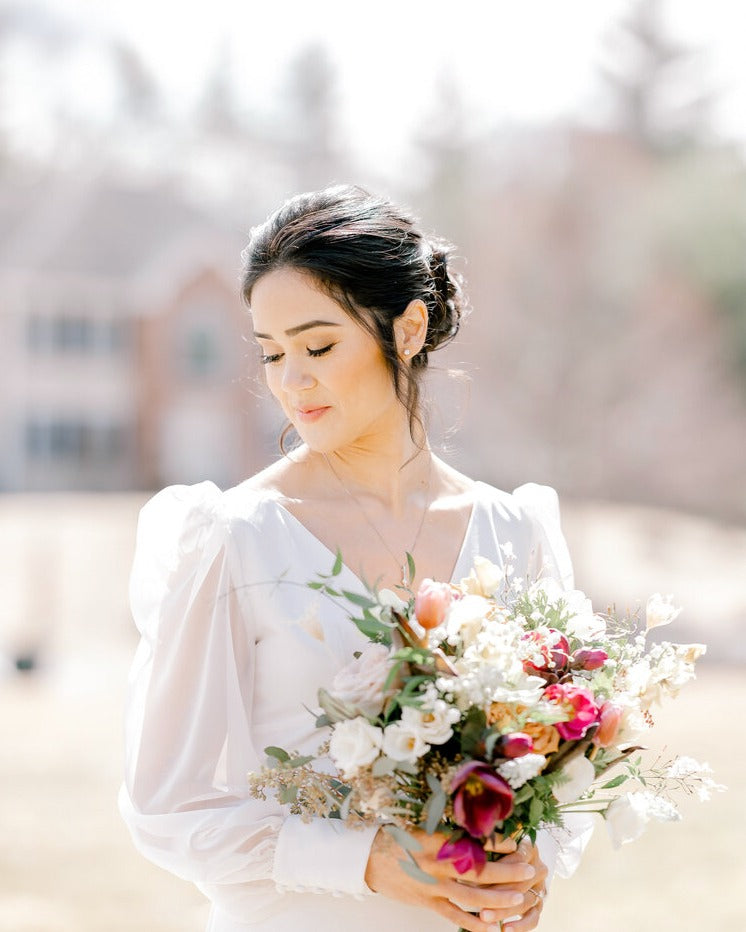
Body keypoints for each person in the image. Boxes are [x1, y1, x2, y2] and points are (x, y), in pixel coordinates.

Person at [119, 185, 591, 932]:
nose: (289, 380)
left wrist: (526, 864)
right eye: (271, 353)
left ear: (407, 330)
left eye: (317, 346)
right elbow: (166, 806)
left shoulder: (514, 530)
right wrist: (364, 861)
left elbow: (560, 762)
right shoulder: (233, 536)